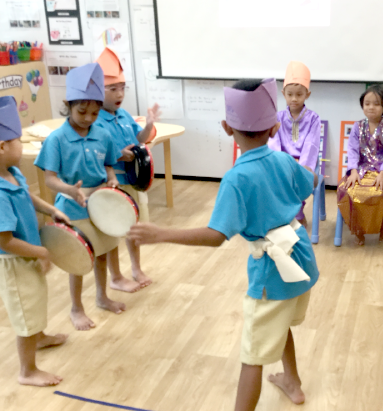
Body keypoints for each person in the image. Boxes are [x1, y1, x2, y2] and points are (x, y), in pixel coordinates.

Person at [128, 79, 319, 411]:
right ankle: (292, 381)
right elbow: (311, 182)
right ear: (275, 128)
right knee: (280, 321)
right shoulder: (283, 160)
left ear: (226, 128)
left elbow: (216, 236)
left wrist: (161, 233)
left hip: (274, 272)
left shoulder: (236, 177)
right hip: (301, 259)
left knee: (252, 354)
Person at [0, 97, 69, 387]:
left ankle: (41, 337)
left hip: (26, 256)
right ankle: (28, 371)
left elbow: (25, 194)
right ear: (1, 146)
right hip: (14, 262)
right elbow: (5, 241)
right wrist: (41, 251)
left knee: (35, 300)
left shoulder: (9, 173)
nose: (21, 145)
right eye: (18, 140)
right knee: (25, 315)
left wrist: (50, 209)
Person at [34, 63, 126, 331]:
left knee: (102, 253)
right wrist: (69, 190)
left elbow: (109, 163)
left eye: (95, 113)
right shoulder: (57, 139)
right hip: (72, 208)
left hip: (101, 205)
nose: (88, 118)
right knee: (78, 259)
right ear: (68, 105)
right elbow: (50, 178)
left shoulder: (103, 134)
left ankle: (102, 296)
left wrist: (111, 178)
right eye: (81, 111)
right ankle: (76, 307)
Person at [94, 47, 160, 293]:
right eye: (113, 89)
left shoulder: (123, 115)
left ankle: (136, 267)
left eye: (122, 87)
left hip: (132, 181)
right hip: (112, 184)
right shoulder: (95, 120)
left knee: (134, 227)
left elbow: (139, 138)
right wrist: (118, 153)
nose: (119, 93)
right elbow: (98, 151)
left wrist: (149, 125)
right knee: (113, 231)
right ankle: (115, 275)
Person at [337, 85, 383, 245]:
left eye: (376, 104)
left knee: (381, 192)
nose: (371, 107)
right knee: (347, 190)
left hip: (382, 172)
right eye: (367, 103)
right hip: (361, 170)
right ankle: (358, 228)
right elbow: (352, 150)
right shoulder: (357, 127)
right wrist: (353, 171)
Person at [268, 61, 321, 228]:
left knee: (297, 178)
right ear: (283, 93)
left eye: (299, 94)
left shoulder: (313, 118)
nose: (294, 99)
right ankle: (280, 216)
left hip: (303, 163)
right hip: (282, 161)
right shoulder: (277, 117)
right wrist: (280, 161)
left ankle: (297, 215)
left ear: (308, 94)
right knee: (271, 177)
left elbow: (311, 144)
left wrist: (303, 165)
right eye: (290, 94)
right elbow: (274, 141)